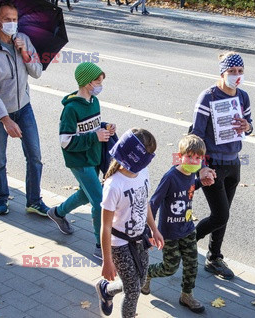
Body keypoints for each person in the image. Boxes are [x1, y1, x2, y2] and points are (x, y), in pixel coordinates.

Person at [0, 1, 49, 216]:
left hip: (24, 108)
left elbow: (37, 72)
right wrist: (5, 119)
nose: (11, 23)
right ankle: (1, 198)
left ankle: (34, 201)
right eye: (7, 19)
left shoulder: (24, 40)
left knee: (35, 157)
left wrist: (25, 54)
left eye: (15, 19)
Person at [191, 52, 253, 280]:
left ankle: (214, 257)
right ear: (222, 73)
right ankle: (184, 243)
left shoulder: (243, 97)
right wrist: (202, 167)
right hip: (213, 164)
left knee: (224, 213)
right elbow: (196, 136)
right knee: (220, 215)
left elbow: (250, 126)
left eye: (240, 72)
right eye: (232, 72)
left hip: (233, 163)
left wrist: (247, 126)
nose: (237, 76)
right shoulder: (208, 97)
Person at [47, 62, 116, 260]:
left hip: (93, 157)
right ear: (86, 83)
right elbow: (65, 141)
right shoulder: (71, 110)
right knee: (99, 201)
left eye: (101, 80)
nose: (100, 84)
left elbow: (91, 126)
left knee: (85, 195)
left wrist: (105, 127)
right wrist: (95, 136)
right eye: (97, 81)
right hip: (79, 161)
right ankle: (99, 245)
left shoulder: (94, 101)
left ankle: (58, 213)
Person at [95, 128, 164, 318]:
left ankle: (106, 290)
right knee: (133, 291)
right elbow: (106, 227)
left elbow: (145, 202)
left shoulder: (143, 172)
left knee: (140, 281)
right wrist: (107, 261)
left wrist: (154, 229)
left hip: (140, 238)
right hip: (119, 244)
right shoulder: (114, 185)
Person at [141, 134, 212, 314]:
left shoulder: (191, 173)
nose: (194, 161)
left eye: (198, 158)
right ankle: (147, 273)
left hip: (188, 229)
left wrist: (201, 182)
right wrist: (152, 230)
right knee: (169, 268)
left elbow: (188, 187)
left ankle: (186, 295)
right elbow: (154, 203)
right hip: (169, 233)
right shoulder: (170, 177)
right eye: (190, 156)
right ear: (180, 156)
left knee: (192, 265)